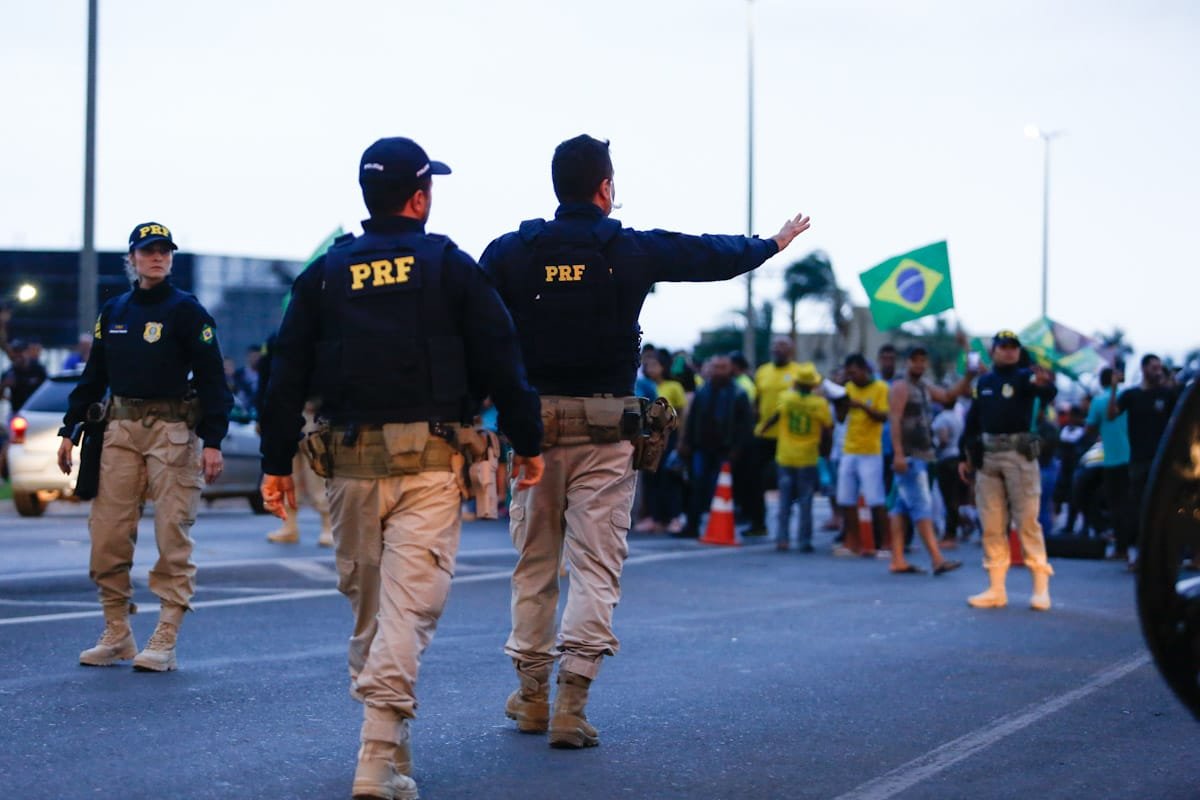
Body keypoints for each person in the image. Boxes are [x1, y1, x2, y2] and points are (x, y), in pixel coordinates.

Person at [479, 134, 809, 749]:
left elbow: (470, 317)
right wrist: (770, 244)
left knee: (535, 565)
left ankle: (530, 698)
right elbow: (707, 255)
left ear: (558, 187)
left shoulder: (511, 252)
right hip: (606, 432)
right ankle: (572, 706)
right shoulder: (626, 248)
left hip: (532, 431)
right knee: (596, 568)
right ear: (605, 188)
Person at [258, 137, 545, 800]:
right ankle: (376, 757)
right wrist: (527, 443)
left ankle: (391, 749)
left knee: (372, 616)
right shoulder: (448, 264)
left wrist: (276, 464)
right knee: (406, 611)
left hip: (348, 468)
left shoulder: (328, 271)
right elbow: (503, 357)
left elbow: (285, 372)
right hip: (428, 467)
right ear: (420, 197)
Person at [56, 222, 232, 671]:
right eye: (147, 251)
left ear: (170, 259)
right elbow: (93, 376)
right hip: (119, 430)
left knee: (173, 534)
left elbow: (213, 379)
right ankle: (117, 631)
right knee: (108, 534)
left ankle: (166, 636)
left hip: (173, 430)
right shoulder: (114, 311)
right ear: (132, 259)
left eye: (164, 251)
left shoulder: (187, 311)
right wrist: (69, 429)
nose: (157, 257)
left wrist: (212, 441)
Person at [959, 330, 1057, 610]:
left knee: (1027, 522)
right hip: (988, 457)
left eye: (1013, 347)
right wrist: (963, 455)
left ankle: (1040, 588)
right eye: (1003, 347)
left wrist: (1044, 383)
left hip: (1019, 455)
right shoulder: (985, 382)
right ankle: (996, 589)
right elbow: (973, 421)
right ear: (994, 351)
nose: (1009, 351)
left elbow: (1046, 393)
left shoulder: (1025, 377)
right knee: (991, 524)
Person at [885, 346, 970, 575]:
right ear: (907, 363)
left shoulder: (922, 387)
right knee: (922, 507)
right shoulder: (901, 387)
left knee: (900, 509)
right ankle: (936, 558)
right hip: (912, 457)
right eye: (915, 360)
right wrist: (899, 454)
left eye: (923, 360)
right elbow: (894, 420)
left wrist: (970, 375)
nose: (920, 365)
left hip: (921, 455)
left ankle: (898, 559)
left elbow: (948, 396)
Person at [1107, 354, 1180, 565]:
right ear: (1144, 369)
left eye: (1160, 367)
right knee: (1140, 508)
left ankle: (1165, 556)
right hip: (1139, 460)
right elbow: (1112, 415)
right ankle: (1140, 555)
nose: (1158, 371)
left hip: (1164, 461)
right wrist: (1113, 388)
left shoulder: (1167, 394)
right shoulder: (1131, 395)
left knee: (1166, 507)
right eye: (1154, 367)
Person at [678, 355, 754, 536]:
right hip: (702, 447)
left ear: (730, 369)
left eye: (723, 367)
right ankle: (692, 525)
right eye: (715, 367)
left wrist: (737, 449)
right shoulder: (702, 391)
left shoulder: (738, 393)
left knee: (719, 488)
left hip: (725, 449)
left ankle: (719, 526)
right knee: (697, 485)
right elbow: (692, 419)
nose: (719, 371)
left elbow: (745, 426)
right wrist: (686, 441)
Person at [761, 363, 831, 552]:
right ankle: (804, 540)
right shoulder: (819, 404)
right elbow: (827, 428)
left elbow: (774, 417)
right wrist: (826, 451)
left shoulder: (786, 398)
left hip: (786, 455)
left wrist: (761, 431)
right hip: (808, 457)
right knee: (806, 500)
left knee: (784, 500)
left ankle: (782, 538)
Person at [743, 338, 806, 535]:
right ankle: (757, 523)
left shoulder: (799, 372)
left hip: (790, 436)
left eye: (782, 347)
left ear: (791, 350)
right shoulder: (763, 371)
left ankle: (791, 522)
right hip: (763, 434)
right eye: (775, 347)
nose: (778, 350)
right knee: (753, 478)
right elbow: (756, 400)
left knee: (791, 481)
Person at [833, 353, 889, 556]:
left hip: (871, 451)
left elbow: (883, 416)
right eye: (848, 373)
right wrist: (838, 397)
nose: (851, 377)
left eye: (854, 372)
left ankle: (885, 544)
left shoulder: (880, 388)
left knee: (875, 499)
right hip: (849, 449)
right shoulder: (847, 389)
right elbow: (840, 418)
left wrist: (862, 406)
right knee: (846, 498)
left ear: (864, 369)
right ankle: (852, 543)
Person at [264, 401, 333, 547]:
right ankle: (289, 525)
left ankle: (328, 526)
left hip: (311, 413)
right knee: (286, 472)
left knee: (317, 473)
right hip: (285, 413)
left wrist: (319, 402)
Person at [633, 350, 687, 533]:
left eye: (654, 364)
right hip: (649, 437)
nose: (649, 368)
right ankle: (654, 518)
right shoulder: (642, 384)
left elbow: (682, 414)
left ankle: (673, 517)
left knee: (669, 478)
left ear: (663, 367)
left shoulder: (673, 387)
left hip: (669, 438)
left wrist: (681, 440)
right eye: (647, 364)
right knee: (651, 478)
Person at [1087, 367, 1132, 561]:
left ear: (1100, 381)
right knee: (1131, 503)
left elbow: (1089, 428)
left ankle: (1121, 548)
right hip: (1132, 457)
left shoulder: (1098, 401)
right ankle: (1132, 546)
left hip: (1112, 458)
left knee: (1116, 504)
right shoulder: (1129, 397)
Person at [931, 399, 965, 545]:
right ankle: (959, 526)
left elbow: (943, 439)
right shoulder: (958, 417)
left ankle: (950, 534)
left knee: (948, 498)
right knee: (954, 497)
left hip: (946, 459)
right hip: (957, 456)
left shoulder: (942, 418)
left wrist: (934, 448)